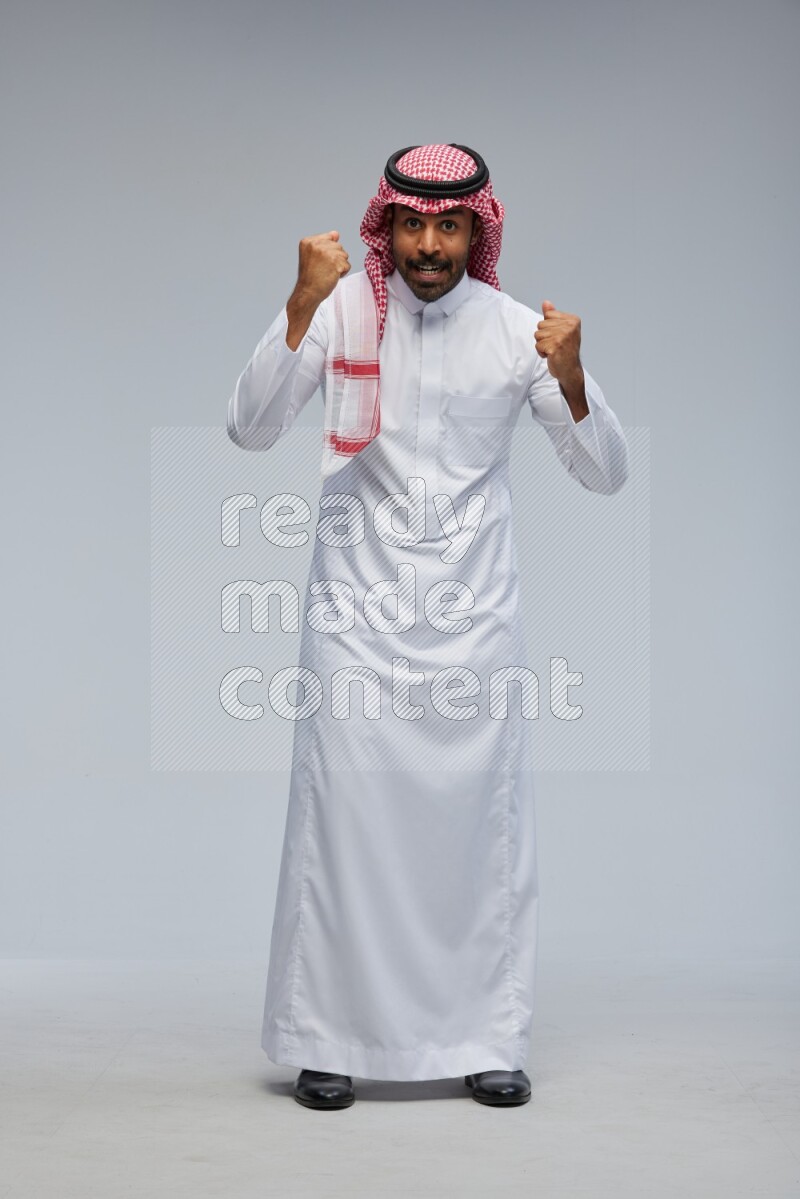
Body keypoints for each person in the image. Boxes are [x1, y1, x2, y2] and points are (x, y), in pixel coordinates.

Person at [227, 144, 629, 1110]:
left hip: (471, 628)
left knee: (478, 837)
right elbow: (249, 426)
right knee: (345, 829)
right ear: (388, 226)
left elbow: (605, 471)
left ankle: (488, 1036)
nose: (429, 245)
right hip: (356, 621)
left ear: (477, 230)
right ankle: (328, 1036)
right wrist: (296, 303)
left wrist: (575, 378)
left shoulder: (517, 331)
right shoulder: (340, 312)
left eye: (449, 226)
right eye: (412, 224)